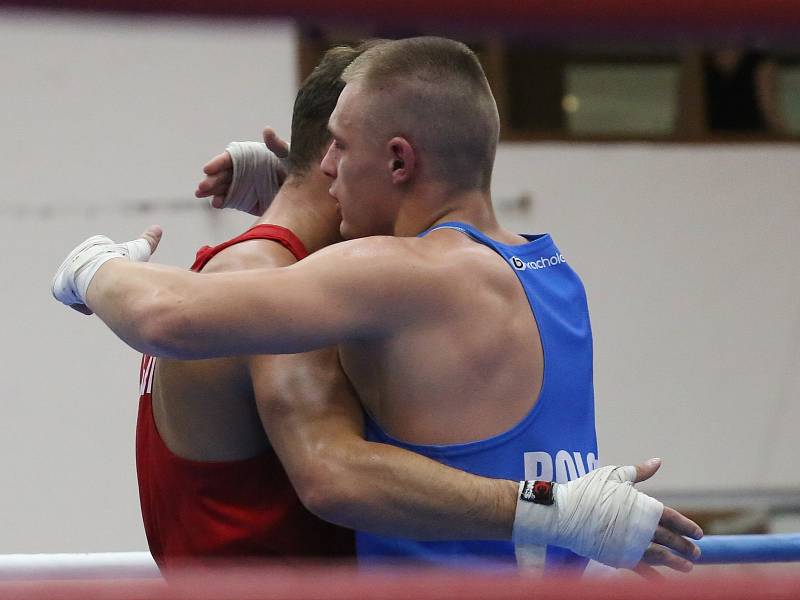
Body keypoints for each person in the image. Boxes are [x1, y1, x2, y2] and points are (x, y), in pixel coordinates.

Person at [53, 36, 702, 575]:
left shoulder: (396, 277)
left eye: (339, 146)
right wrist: (294, 189)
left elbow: (168, 319)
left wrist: (95, 266)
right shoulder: (553, 272)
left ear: (397, 160)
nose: (328, 168)